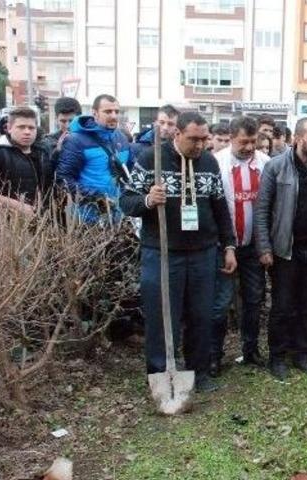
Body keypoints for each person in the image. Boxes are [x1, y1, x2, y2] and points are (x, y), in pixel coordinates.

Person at [120, 111, 237, 394]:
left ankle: (198, 371)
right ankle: (161, 373)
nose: (199, 145)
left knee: (201, 315)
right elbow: (126, 201)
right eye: (193, 139)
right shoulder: (152, 160)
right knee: (162, 316)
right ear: (177, 135)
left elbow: (220, 208)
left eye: (203, 139)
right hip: (161, 252)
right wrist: (148, 199)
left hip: (203, 253)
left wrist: (229, 246)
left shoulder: (208, 162)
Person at [254, 117, 307, 380]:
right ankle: (277, 357)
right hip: (285, 251)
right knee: (282, 306)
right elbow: (262, 210)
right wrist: (264, 247)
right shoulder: (276, 167)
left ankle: (302, 353)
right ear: (298, 139)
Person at [210, 116, 271, 376]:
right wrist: (225, 244)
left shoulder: (266, 164)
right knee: (221, 302)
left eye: (252, 141)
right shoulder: (217, 163)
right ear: (231, 138)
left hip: (254, 246)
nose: (248, 147)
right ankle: (214, 355)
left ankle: (251, 349)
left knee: (254, 299)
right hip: (224, 245)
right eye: (243, 142)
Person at [56, 94, 133, 225]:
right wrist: (96, 198)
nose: (114, 116)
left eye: (116, 112)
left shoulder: (122, 138)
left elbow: (130, 174)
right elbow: (64, 179)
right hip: (87, 220)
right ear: (95, 113)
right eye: (108, 112)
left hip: (118, 217)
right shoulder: (76, 140)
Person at [0, 107, 52, 213]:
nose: (27, 132)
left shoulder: (42, 153)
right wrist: (16, 206)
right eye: (21, 127)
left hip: (42, 222)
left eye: (31, 128)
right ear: (9, 128)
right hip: (8, 225)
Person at [42, 96, 82, 169]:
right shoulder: (48, 142)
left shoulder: (90, 139)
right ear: (57, 120)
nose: (67, 125)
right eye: (63, 121)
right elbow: (46, 172)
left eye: (71, 121)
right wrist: (57, 152)